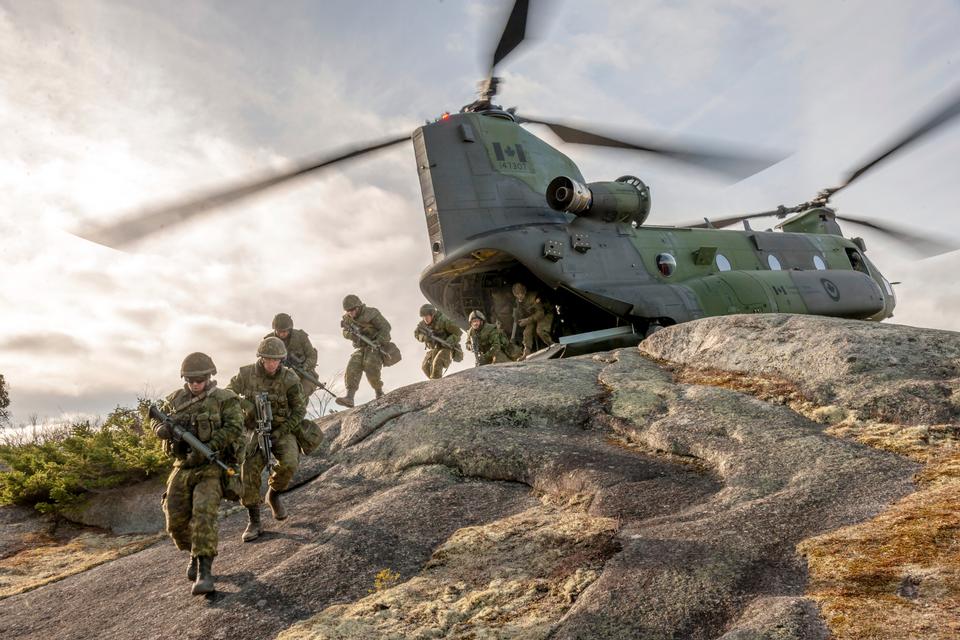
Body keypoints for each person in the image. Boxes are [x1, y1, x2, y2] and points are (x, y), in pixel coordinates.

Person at [154, 352, 243, 595]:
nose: (195, 384)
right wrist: (161, 429)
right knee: (174, 522)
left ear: (209, 376)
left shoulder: (225, 399)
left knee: (204, 513)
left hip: (211, 467)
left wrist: (210, 447)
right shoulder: (174, 399)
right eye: (191, 380)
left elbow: (235, 427)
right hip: (182, 466)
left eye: (200, 379)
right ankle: (194, 552)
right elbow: (156, 418)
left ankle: (205, 571)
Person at [227, 337, 307, 542]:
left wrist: (285, 429)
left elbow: (299, 410)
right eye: (267, 359)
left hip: (282, 428)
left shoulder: (290, 378)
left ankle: (273, 494)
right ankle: (254, 520)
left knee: (289, 462)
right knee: (249, 470)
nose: (272, 363)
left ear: (282, 359)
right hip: (255, 429)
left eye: (276, 360)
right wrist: (246, 406)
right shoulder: (246, 374)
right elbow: (227, 395)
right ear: (261, 358)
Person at [336, 294, 391, 407]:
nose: (350, 313)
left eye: (352, 310)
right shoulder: (347, 318)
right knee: (353, 365)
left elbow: (386, 327)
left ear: (358, 307)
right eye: (348, 311)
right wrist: (352, 336)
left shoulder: (372, 313)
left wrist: (378, 340)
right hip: (361, 346)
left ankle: (379, 393)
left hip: (375, 344)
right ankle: (349, 398)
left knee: (370, 365)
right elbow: (345, 332)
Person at [265, 313, 319, 396]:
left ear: (290, 329)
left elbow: (312, 356)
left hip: (304, 374)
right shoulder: (269, 341)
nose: (281, 334)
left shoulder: (301, 337)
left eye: (284, 331)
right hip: (280, 376)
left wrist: (305, 366)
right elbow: (264, 362)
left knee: (300, 395)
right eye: (279, 331)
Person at [414, 303, 463, 379]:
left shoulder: (444, 320)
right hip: (435, 348)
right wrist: (424, 337)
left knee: (438, 362)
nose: (425, 319)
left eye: (427, 316)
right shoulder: (423, 324)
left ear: (432, 315)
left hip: (448, 348)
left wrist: (449, 341)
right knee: (425, 366)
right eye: (423, 317)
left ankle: (436, 382)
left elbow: (458, 333)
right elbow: (416, 334)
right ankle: (435, 382)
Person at [512, 283, 555, 359]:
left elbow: (540, 313)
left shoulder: (533, 297)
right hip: (533, 316)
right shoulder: (518, 301)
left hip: (545, 314)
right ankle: (526, 353)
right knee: (526, 332)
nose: (520, 295)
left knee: (540, 330)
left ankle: (553, 346)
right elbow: (521, 312)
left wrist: (527, 320)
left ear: (525, 292)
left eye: (521, 293)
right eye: (517, 294)